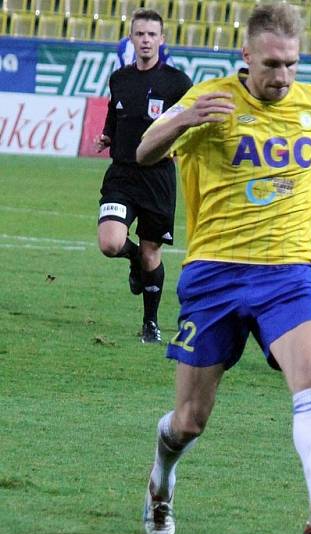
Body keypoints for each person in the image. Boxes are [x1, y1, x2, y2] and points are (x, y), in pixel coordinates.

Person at [135, 3, 311, 534]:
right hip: (215, 274)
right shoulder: (210, 99)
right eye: (272, 65)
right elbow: (144, 152)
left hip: (290, 272)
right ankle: (161, 481)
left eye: (292, 65)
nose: (282, 77)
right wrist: (184, 119)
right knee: (189, 421)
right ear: (245, 55)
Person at [95, 9, 193, 343]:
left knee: (153, 252)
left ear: (162, 40)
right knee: (110, 243)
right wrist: (108, 135)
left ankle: (150, 322)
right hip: (121, 174)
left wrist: (182, 145)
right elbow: (114, 111)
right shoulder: (119, 78)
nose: (146, 40)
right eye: (140, 34)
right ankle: (132, 257)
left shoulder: (178, 83)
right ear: (132, 38)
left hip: (157, 177)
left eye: (152, 34)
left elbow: (190, 122)